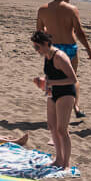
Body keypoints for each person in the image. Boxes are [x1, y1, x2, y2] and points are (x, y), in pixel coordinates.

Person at [34, 0, 91, 112]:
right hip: (69, 47)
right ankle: (76, 105)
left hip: (52, 48)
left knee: (51, 77)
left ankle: (53, 103)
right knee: (73, 77)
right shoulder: (72, 9)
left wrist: (47, 32)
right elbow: (79, 32)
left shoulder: (43, 10)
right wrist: (88, 49)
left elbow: (39, 32)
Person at [31, 30, 78, 170]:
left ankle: (66, 163)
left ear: (45, 44)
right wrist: (42, 81)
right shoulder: (47, 55)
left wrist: (51, 83)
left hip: (66, 94)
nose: (36, 50)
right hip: (53, 93)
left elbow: (73, 79)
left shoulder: (60, 57)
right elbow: (52, 77)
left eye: (37, 47)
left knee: (62, 129)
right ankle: (58, 159)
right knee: (52, 126)